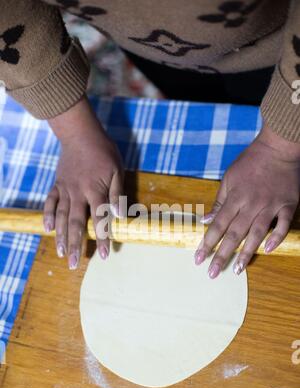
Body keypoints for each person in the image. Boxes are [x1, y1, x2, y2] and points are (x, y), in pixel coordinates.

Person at [1, 0, 299, 278]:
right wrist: (75, 134)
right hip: (150, 48)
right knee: (191, 89)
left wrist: (280, 148)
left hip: (278, 50)